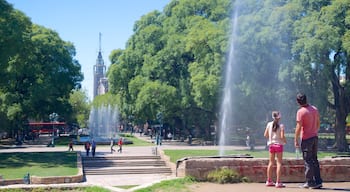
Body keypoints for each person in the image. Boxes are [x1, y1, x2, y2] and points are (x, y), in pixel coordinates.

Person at [294, 93, 323, 189]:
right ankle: (318, 181)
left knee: (308, 161)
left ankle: (310, 182)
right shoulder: (314, 109)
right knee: (314, 159)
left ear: (298, 102)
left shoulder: (301, 112)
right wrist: (315, 130)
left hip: (306, 139)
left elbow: (298, 127)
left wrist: (296, 139)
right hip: (315, 137)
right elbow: (318, 122)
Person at [264, 111, 286, 188]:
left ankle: (269, 180)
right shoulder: (281, 125)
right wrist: (285, 141)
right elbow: (282, 136)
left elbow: (265, 134)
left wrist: (271, 138)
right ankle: (278, 182)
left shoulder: (269, 124)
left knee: (271, 163)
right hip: (279, 145)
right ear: (279, 117)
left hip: (271, 145)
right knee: (279, 163)